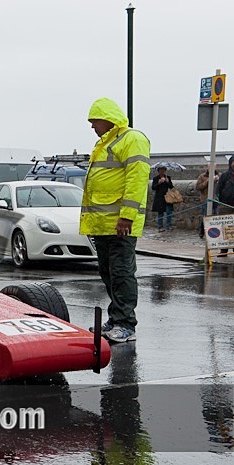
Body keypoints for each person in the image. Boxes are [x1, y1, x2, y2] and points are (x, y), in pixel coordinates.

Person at [81, 97, 150, 343]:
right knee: (108, 271)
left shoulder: (132, 139)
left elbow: (137, 180)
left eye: (94, 121)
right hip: (103, 223)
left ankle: (125, 324)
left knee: (121, 273)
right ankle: (117, 317)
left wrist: (126, 216)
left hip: (120, 223)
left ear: (107, 119)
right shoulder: (105, 143)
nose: (92, 126)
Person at [216, 156, 234, 255]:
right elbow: (219, 189)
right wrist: (219, 201)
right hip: (225, 205)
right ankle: (224, 249)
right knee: (225, 227)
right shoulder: (225, 176)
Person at [196, 169, 220, 238]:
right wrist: (207, 181)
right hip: (205, 199)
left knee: (215, 217)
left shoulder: (219, 176)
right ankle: (202, 232)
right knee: (205, 216)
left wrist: (217, 181)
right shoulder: (202, 176)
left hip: (216, 199)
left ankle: (214, 233)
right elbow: (198, 187)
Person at [151, 167, 174, 232]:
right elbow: (153, 187)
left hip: (168, 197)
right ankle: (160, 226)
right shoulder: (156, 178)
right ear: (158, 171)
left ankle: (168, 225)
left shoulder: (168, 177)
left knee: (169, 212)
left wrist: (167, 182)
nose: (162, 171)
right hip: (160, 198)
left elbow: (171, 187)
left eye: (163, 170)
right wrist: (159, 183)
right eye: (161, 170)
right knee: (160, 213)